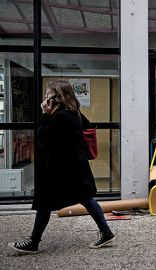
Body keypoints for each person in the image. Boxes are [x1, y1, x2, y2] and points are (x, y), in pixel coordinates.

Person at [8, 80, 115, 254]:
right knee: (83, 198)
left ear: (56, 97)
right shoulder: (74, 113)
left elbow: (42, 136)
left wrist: (44, 114)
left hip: (62, 171)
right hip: (72, 169)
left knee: (47, 202)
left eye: (47, 95)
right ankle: (106, 232)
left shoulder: (61, 117)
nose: (45, 99)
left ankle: (33, 243)